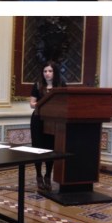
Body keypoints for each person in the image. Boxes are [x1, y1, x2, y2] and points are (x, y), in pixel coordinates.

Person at [29, 61, 65, 189]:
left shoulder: (61, 86)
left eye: (50, 71)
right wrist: (41, 102)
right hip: (38, 120)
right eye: (45, 71)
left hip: (53, 121)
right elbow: (31, 103)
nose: (47, 74)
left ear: (55, 72)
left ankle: (48, 175)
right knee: (37, 148)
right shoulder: (38, 85)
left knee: (50, 149)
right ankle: (39, 175)